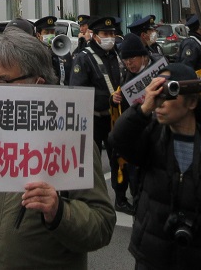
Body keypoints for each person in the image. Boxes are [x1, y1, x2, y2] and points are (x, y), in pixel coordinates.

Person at [0, 29, 116, 269]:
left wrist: (59, 211)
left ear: (38, 83)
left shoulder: (69, 140)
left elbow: (102, 225)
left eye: (2, 81)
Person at [109, 63, 201, 270]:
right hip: (152, 256)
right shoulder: (152, 137)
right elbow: (118, 140)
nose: (160, 103)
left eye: (168, 94)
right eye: (157, 94)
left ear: (192, 102)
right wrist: (143, 109)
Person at [109, 33, 163, 214]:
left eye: (132, 59)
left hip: (158, 130)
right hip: (137, 133)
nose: (129, 64)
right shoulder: (126, 76)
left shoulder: (159, 68)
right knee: (135, 177)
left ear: (143, 56)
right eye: (125, 60)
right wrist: (114, 99)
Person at [70, 16, 122, 152]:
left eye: (112, 34)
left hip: (115, 117)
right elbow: (77, 91)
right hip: (94, 119)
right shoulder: (84, 58)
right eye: (105, 34)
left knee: (118, 158)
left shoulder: (115, 55)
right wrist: (104, 98)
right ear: (95, 36)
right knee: (93, 158)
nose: (110, 38)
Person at [34, 15, 73, 86]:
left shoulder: (63, 52)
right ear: (38, 35)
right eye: (46, 32)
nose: (50, 35)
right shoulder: (35, 53)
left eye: (52, 32)